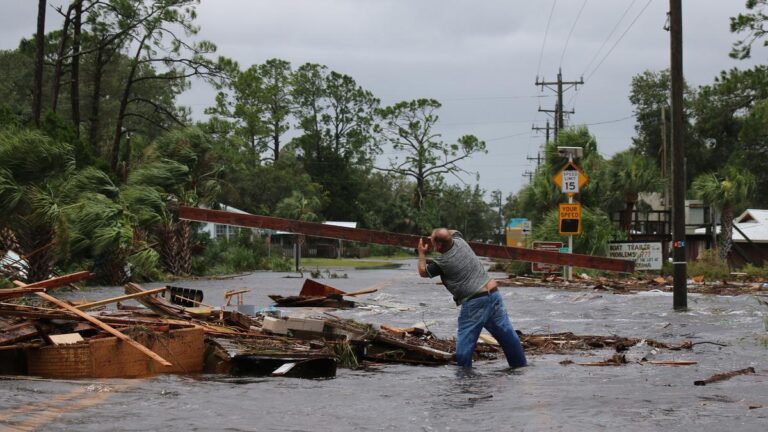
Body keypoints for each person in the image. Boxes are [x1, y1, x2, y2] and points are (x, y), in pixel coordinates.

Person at [417, 228, 527, 368]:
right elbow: (453, 231)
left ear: (438, 245)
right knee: (507, 335)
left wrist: (421, 253)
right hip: (493, 293)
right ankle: (520, 367)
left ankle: (464, 378)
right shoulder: (460, 240)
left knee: (465, 342)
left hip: (475, 301)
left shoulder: (443, 262)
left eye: (433, 241)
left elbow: (423, 272)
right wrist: (438, 235)